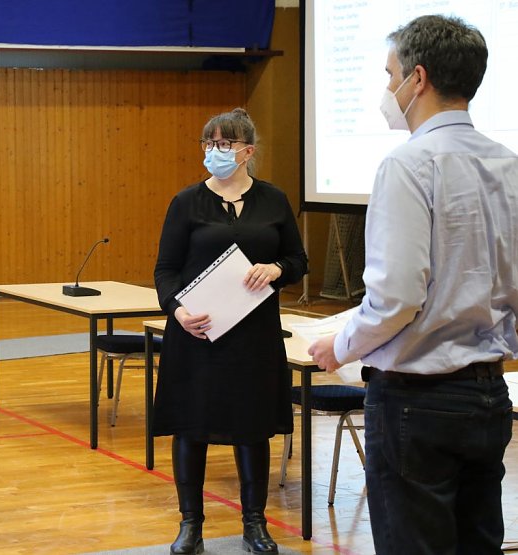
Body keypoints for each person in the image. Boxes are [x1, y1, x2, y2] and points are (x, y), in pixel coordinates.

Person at [308, 15, 516, 555]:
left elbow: (396, 298)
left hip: (416, 403)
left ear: (417, 79)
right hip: (489, 394)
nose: (387, 88)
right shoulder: (508, 164)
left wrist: (341, 346)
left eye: (388, 74)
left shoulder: (407, 164)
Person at [153, 107, 308, 554]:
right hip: (197, 334)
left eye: (223, 144)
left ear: (247, 151)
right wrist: (178, 310)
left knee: (251, 427)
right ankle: (190, 525)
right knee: (191, 427)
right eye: (208, 144)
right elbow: (165, 271)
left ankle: (255, 524)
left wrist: (275, 268)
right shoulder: (186, 202)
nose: (214, 152)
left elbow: (298, 262)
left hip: (254, 337)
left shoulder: (273, 200)